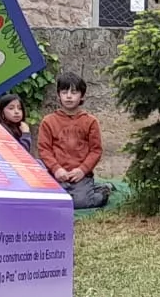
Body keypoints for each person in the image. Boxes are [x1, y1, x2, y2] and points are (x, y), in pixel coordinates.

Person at [37, 75, 111, 208]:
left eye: (74, 92)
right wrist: (56, 169)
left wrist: (82, 170)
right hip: (57, 174)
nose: (69, 96)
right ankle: (85, 190)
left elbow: (96, 150)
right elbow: (44, 149)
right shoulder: (48, 121)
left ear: (82, 96)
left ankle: (102, 192)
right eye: (64, 92)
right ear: (59, 95)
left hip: (81, 175)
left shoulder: (90, 121)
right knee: (52, 202)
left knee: (79, 202)